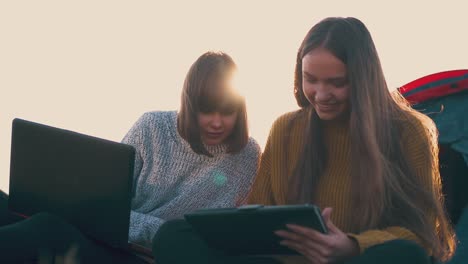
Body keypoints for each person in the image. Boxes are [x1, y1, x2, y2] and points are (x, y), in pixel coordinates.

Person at [152, 17, 456, 264]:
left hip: (358, 261)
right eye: (311, 79)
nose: (321, 95)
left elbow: (423, 232)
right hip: (284, 261)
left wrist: (351, 246)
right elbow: (260, 209)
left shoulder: (410, 131)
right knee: (175, 235)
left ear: (363, 79)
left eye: (337, 83)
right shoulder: (285, 129)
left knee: (406, 256)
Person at [0, 51, 261, 263]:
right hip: (111, 238)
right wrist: (154, 229)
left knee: (47, 228)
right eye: (207, 111)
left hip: (150, 258)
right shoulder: (152, 127)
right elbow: (105, 208)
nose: (217, 122)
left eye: (227, 112)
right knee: (12, 207)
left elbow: (214, 236)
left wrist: (163, 236)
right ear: (191, 104)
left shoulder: (246, 154)